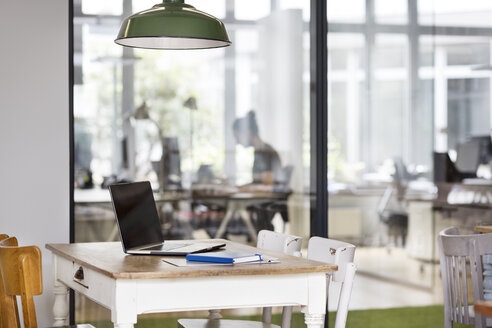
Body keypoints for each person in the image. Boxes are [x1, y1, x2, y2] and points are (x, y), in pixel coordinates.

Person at [233, 110, 282, 185]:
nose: (237, 142)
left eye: (237, 137)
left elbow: (267, 185)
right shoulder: (258, 151)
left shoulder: (267, 151)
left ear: (248, 133)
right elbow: (257, 183)